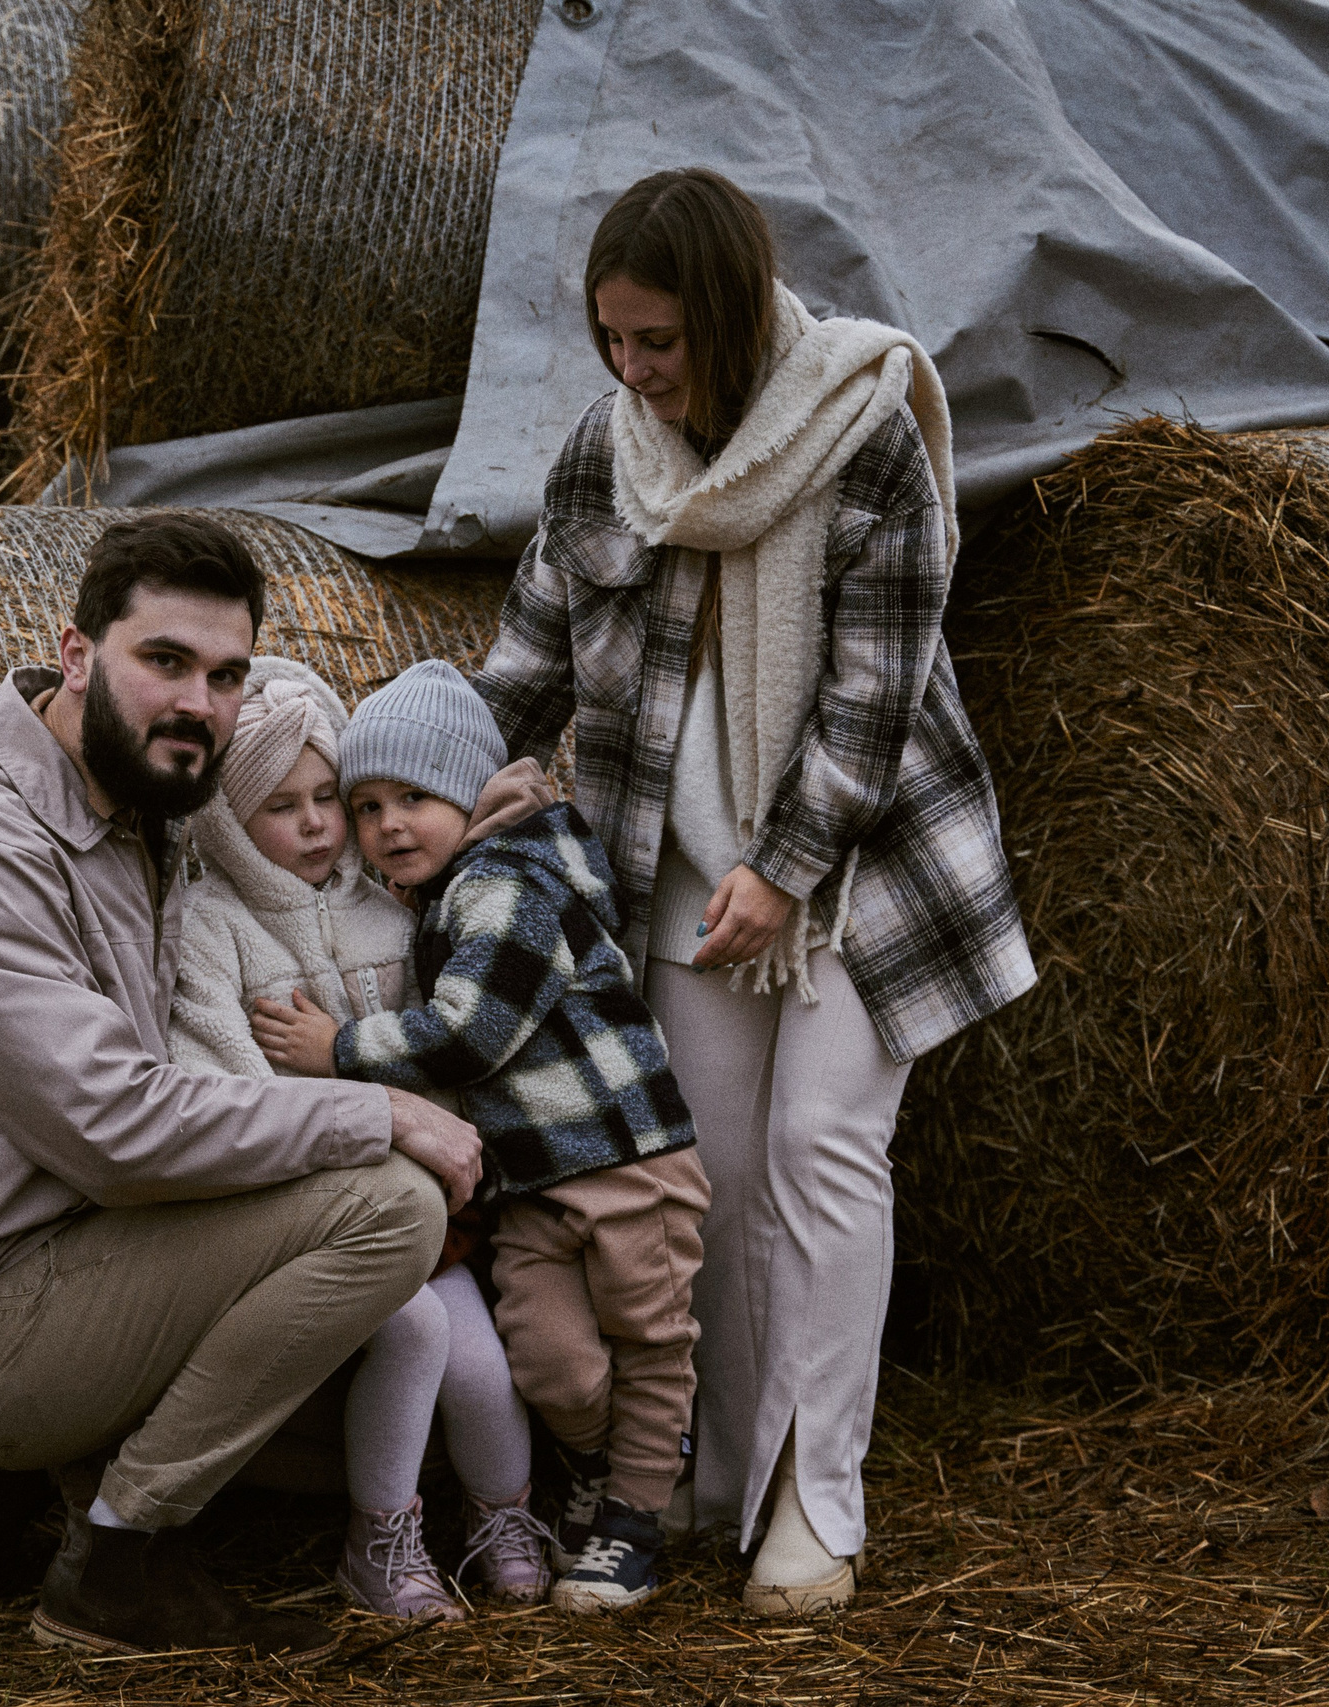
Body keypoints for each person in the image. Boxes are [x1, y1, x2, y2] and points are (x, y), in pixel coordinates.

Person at [472, 169, 1036, 1614]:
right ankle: (712, 1472)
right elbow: (530, 649)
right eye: (612, 337)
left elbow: (877, 692)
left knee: (818, 1153)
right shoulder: (612, 457)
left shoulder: (862, 431)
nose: (632, 369)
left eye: (657, 340)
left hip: (862, 870)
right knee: (706, 1181)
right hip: (676, 868)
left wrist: (786, 872)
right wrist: (443, 789)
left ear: (724, 319)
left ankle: (815, 1499)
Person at [0, 514, 485, 1660]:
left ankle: (21, 1499)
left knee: (392, 1429)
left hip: (96, 1262)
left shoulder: (143, 808)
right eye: (164, 662)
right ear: (78, 655)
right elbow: (117, 1132)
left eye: (225, 676)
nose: (198, 702)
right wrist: (380, 1106)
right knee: (390, 1205)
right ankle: (114, 1563)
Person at [253, 660, 711, 1615]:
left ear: (467, 790)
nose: (385, 827)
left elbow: (468, 1033)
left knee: (651, 1335)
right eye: (366, 803)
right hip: (536, 1181)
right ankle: (607, 1463)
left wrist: (338, 1047)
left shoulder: (509, 881)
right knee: (549, 1358)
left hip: (628, 1159)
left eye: (413, 797)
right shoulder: (451, 891)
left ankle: (633, 1519)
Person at [165, 655, 551, 1619]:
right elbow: (224, 1088)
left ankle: (503, 1516)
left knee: (481, 1362)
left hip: (428, 1208)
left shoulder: (394, 907)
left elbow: (450, 1050)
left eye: (327, 797)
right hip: (313, 1218)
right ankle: (380, 1539)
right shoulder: (211, 929)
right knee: (414, 1331)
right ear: (224, 820)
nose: (316, 825)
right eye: (278, 806)